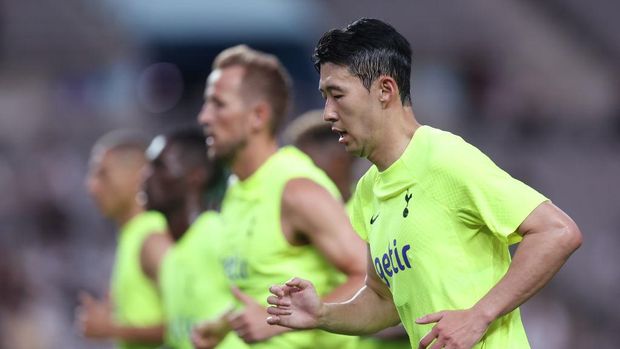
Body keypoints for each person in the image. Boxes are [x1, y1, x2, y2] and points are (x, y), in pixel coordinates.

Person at [266, 18, 583, 349]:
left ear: (385, 90)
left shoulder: (444, 158)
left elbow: (557, 232)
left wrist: (479, 315)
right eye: (324, 97)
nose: (328, 113)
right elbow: (383, 300)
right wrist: (322, 314)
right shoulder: (368, 190)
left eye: (337, 95)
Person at [192, 45, 366, 349]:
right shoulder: (236, 189)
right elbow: (260, 291)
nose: (204, 116)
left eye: (218, 104)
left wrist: (288, 316)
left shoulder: (296, 189)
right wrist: (223, 325)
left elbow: (368, 278)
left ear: (258, 115)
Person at [283, 110, 410, 349]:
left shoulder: (383, 211)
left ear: (338, 160)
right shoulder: (307, 222)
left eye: (304, 162)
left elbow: (410, 298)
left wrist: (370, 321)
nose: (296, 173)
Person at [142, 128, 247, 349]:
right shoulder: (172, 256)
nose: (143, 177)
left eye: (159, 166)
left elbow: (266, 297)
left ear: (195, 176)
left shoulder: (219, 233)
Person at [78, 130, 171, 349]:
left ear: (138, 176)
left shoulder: (152, 237)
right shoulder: (132, 235)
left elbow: (188, 321)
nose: (91, 186)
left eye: (102, 174)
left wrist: (111, 329)